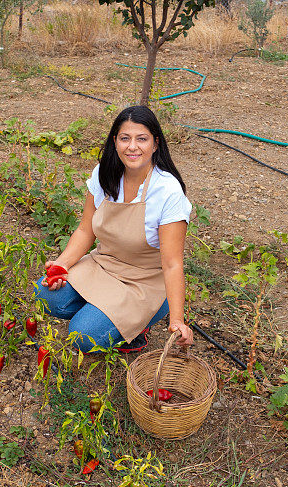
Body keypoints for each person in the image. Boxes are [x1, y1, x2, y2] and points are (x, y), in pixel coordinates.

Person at [34, 105, 194, 353]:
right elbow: (86, 230)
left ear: (155, 144)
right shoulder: (104, 174)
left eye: (142, 139)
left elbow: (172, 264)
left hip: (144, 281)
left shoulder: (167, 192)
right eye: (125, 138)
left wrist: (176, 320)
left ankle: (140, 321)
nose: (132, 147)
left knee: (82, 335)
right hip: (104, 264)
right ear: (114, 141)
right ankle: (106, 315)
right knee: (45, 296)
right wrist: (61, 266)